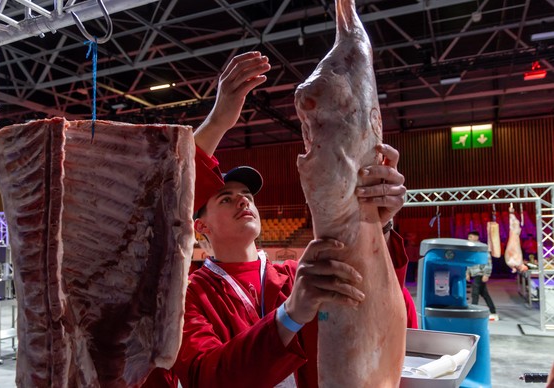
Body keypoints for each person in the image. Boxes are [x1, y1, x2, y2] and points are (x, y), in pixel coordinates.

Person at [143, 51, 417, 387]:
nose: (242, 200)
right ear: (200, 226)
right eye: (226, 198)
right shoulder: (189, 297)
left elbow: (373, 308)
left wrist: (378, 224)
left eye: (247, 195)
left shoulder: (295, 276)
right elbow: (206, 376)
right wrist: (291, 315)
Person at [466, 230, 499, 321]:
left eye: (471, 237)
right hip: (474, 272)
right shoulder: (470, 248)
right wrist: (467, 273)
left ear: (476, 237)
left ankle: (473, 311)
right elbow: (469, 262)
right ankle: (493, 310)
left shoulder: (482, 248)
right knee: (484, 294)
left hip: (480, 273)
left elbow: (488, 261)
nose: (469, 239)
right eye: (469, 237)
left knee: (475, 293)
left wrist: (486, 274)